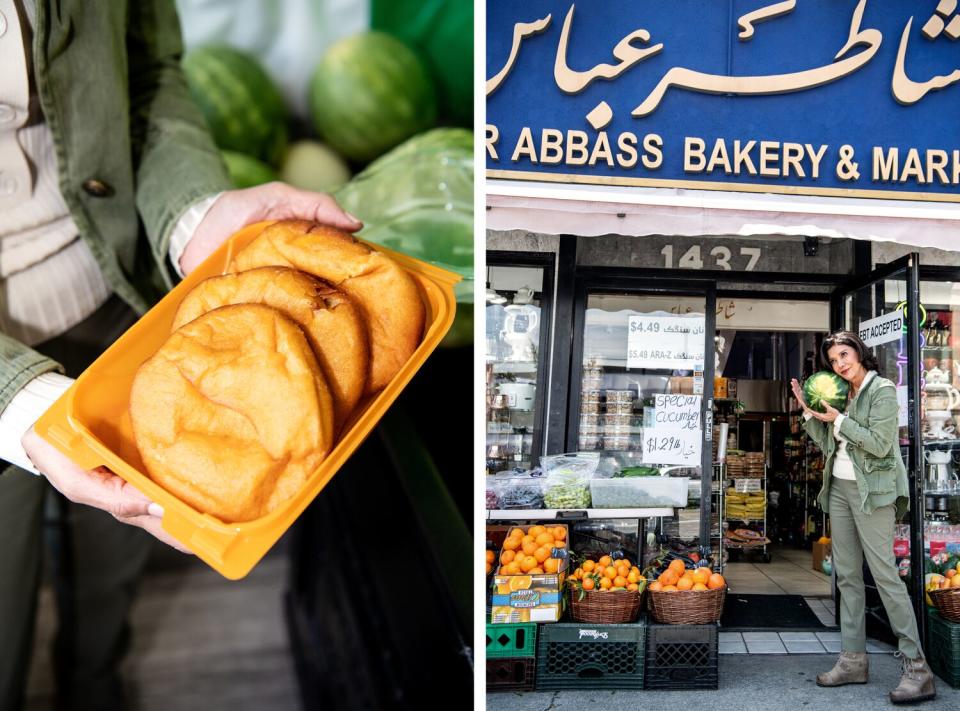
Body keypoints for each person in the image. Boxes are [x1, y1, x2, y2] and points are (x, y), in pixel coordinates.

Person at [0, 2, 360, 709]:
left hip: (119, 295)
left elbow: (145, 71)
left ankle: (95, 681)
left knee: (112, 562)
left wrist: (193, 211)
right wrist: (19, 397)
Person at [790, 330, 935, 705]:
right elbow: (832, 442)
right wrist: (809, 412)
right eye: (833, 360)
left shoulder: (881, 390)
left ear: (859, 353)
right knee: (848, 576)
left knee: (885, 575)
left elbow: (880, 443)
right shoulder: (843, 393)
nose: (839, 364)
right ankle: (853, 660)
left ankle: (918, 669)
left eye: (844, 354)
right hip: (839, 488)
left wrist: (839, 420)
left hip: (873, 494)